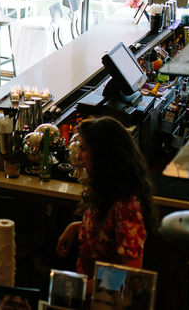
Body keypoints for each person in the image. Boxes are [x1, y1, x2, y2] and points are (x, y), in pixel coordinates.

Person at [56, 117, 158, 284]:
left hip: (102, 297)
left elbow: (131, 271)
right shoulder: (106, 189)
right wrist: (75, 227)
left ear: (103, 154)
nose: (79, 156)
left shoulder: (125, 205)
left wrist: (85, 289)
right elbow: (107, 232)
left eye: (84, 149)